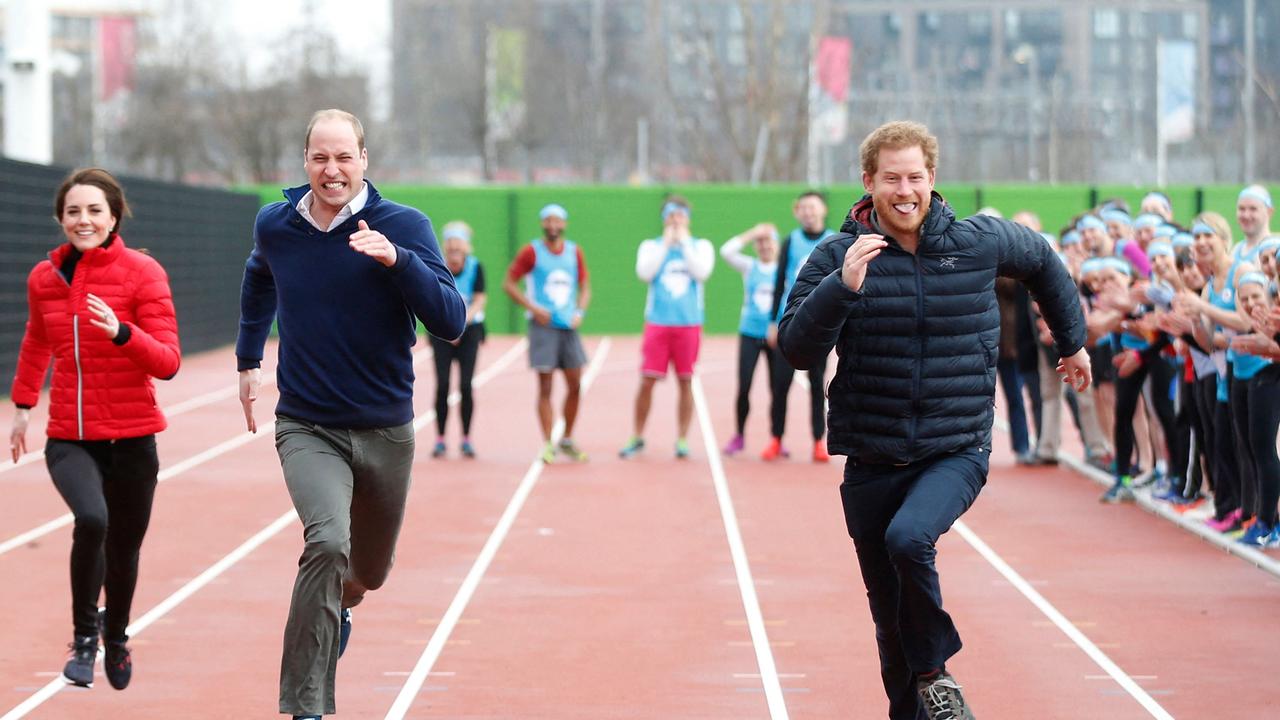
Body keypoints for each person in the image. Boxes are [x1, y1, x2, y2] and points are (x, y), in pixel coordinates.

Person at [778, 121, 1090, 720]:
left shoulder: (979, 241)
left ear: (932, 180)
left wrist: (1072, 340)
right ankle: (916, 695)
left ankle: (936, 675)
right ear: (868, 182)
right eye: (891, 178)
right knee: (890, 624)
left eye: (914, 177)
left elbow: (1044, 262)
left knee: (910, 538)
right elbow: (796, 349)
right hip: (871, 458)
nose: (904, 190)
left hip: (955, 448)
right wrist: (842, 288)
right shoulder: (838, 255)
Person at [236, 109, 466, 720]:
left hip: (385, 428)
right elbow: (259, 275)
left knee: (367, 572)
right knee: (327, 541)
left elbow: (451, 319)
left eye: (343, 157)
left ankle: (340, 608)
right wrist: (247, 355)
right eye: (319, 157)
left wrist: (398, 261)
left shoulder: (404, 225)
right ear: (304, 160)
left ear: (364, 159)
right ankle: (306, 705)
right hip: (308, 424)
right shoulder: (278, 225)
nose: (331, 170)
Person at [9, 168, 180, 691]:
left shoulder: (143, 272)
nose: (83, 220)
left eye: (94, 211)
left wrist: (123, 332)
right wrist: (21, 406)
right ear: (61, 218)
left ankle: (118, 634)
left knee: (125, 548)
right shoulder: (45, 278)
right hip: (70, 437)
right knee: (92, 518)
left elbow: (168, 362)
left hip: (132, 437)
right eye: (73, 212)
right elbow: (38, 340)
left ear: (113, 217)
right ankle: (85, 637)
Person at [619, 196, 715, 459]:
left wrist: (683, 243)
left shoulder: (700, 246)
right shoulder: (651, 246)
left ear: (688, 218)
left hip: (688, 324)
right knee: (647, 380)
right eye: (671, 215)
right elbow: (645, 273)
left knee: (686, 381)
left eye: (680, 215)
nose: (675, 220)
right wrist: (665, 242)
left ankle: (682, 438)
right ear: (664, 218)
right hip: (658, 323)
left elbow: (702, 272)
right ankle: (637, 435)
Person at [501, 203, 592, 464]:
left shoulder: (574, 252)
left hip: (568, 326)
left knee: (576, 384)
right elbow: (508, 283)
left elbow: (585, 287)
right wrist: (533, 307)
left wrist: (580, 312)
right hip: (543, 327)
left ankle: (567, 439)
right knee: (546, 386)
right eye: (548, 221)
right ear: (543, 224)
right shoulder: (532, 252)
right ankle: (548, 443)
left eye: (558, 221)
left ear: (564, 224)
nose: (553, 225)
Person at [764, 191, 837, 462]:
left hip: (819, 324)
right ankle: (776, 438)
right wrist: (773, 321)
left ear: (823, 210)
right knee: (780, 385)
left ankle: (818, 440)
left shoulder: (834, 241)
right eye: (803, 208)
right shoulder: (790, 242)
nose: (808, 212)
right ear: (798, 212)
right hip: (789, 322)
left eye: (813, 207)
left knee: (817, 385)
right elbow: (779, 282)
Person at [719, 222, 781, 455]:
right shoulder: (749, 266)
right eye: (761, 242)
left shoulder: (783, 268)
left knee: (777, 389)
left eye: (769, 241)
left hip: (775, 336)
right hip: (750, 333)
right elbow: (726, 251)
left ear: (776, 244)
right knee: (744, 386)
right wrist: (752, 232)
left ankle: (777, 437)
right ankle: (739, 435)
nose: (765, 246)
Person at [430, 221, 487, 459]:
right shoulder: (437, 266)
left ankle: (466, 438)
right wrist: (448, 326)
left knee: (465, 385)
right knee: (443, 385)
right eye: (450, 247)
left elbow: (480, 299)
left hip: (469, 330)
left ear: (465, 248)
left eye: (458, 247)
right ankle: (441, 439)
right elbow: (432, 297)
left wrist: (461, 324)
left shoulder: (475, 267)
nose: (454, 251)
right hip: (442, 332)